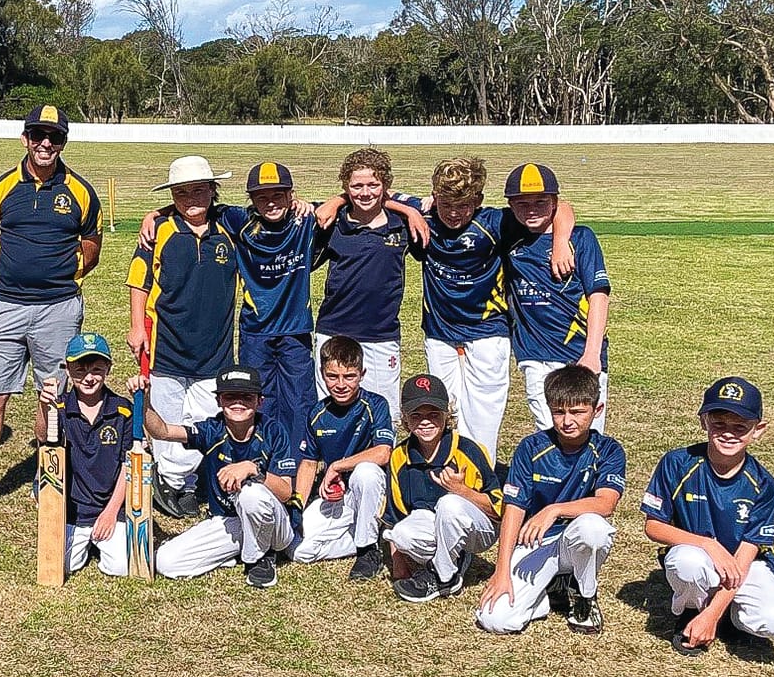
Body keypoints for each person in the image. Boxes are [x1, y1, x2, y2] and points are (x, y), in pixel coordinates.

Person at [0, 105, 103, 520]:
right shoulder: (1, 189)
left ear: (64, 142)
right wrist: (13, 277)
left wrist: (57, 279)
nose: (46, 143)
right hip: (6, 306)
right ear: (25, 138)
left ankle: (47, 477)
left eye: (55, 137)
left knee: (53, 396)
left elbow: (91, 250)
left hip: (59, 309)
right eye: (38, 135)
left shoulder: (81, 192)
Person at [412, 157, 574, 459]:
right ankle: (445, 473)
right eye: (446, 204)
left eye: (463, 206)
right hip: (439, 333)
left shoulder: (494, 223)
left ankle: (481, 474)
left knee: (483, 413)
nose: (454, 213)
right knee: (445, 409)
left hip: (488, 332)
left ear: (478, 200)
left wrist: (562, 241)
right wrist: (410, 209)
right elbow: (384, 199)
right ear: (434, 198)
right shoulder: (425, 219)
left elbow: (560, 207)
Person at [642, 376, 774, 655]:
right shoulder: (677, 463)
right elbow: (653, 526)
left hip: (744, 566)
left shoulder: (763, 484)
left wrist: (714, 614)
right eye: (719, 424)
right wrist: (708, 544)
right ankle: (692, 612)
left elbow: (744, 557)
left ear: (758, 430)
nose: (728, 433)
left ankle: (725, 617)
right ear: (703, 421)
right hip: (698, 556)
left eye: (741, 427)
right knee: (686, 561)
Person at [128, 156, 239, 520]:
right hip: (166, 347)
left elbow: (271, 210)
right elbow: (139, 280)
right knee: (166, 418)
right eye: (181, 192)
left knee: (204, 421)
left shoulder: (230, 226)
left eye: (199, 190)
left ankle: (187, 481)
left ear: (212, 191)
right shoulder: (158, 229)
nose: (191, 198)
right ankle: (173, 483)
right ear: (172, 195)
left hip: (215, 351)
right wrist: (136, 326)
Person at [476, 364, 623, 637]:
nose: (567, 421)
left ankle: (584, 595)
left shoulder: (608, 450)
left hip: (574, 539)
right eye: (559, 411)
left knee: (594, 528)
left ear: (596, 410)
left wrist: (554, 510)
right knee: (495, 619)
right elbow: (514, 510)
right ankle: (546, 593)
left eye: (577, 412)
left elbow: (606, 503)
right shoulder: (530, 447)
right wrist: (501, 571)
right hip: (535, 542)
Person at [136, 364, 295, 587]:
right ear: (219, 400)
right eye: (230, 396)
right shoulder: (212, 429)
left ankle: (261, 558)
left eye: (247, 397)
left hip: (274, 524)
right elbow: (161, 431)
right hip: (229, 520)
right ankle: (237, 550)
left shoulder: (273, 431)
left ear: (260, 401)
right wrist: (144, 400)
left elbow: (286, 493)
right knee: (166, 562)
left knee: (251, 493)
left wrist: (253, 469)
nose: (238, 403)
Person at [311, 148, 427, 402]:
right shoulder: (331, 222)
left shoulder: (403, 224)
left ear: (385, 186)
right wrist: (338, 200)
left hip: (381, 335)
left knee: (384, 409)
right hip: (334, 330)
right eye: (356, 186)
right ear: (345, 187)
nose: (365, 193)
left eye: (373, 185)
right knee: (330, 407)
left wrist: (410, 211)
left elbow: (434, 204)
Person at [502, 163, 610, 431]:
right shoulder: (508, 236)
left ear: (554, 202)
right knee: (549, 429)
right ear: (511, 205)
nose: (531, 209)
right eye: (522, 203)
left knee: (587, 431)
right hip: (535, 354)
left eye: (541, 201)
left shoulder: (581, 238)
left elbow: (598, 297)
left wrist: (592, 353)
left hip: (579, 353)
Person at [222, 162, 321, 456]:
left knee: (299, 398)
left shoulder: (305, 220)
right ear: (251, 199)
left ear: (292, 195)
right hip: (256, 328)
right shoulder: (239, 220)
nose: (271, 202)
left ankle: (298, 459)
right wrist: (155, 214)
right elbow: (196, 203)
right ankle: (264, 456)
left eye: (279, 194)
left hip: (295, 329)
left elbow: (343, 204)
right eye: (262, 196)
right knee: (259, 396)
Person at [382, 372, 503, 604]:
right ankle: (454, 560)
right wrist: (398, 564)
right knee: (402, 534)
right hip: (433, 522)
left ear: (447, 416)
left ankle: (444, 576)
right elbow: (394, 516)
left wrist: (462, 490)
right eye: (416, 415)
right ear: (405, 420)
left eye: (434, 414)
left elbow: (500, 509)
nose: (425, 421)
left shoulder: (468, 450)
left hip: (479, 529)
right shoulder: (399, 456)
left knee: (449, 503)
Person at [290, 336, 396, 576]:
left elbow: (383, 452)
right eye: (332, 376)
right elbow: (308, 464)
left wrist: (338, 466)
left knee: (365, 472)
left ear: (362, 373)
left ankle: (367, 550)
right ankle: (365, 536)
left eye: (349, 376)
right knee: (298, 550)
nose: (341, 384)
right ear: (322, 373)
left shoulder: (375, 405)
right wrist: (297, 505)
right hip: (338, 496)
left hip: (372, 491)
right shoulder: (317, 413)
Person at [34, 333, 134, 576]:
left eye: (97, 369)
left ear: (108, 368)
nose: (89, 378)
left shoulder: (123, 410)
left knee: (121, 567)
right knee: (61, 565)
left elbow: (128, 464)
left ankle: (103, 540)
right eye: (80, 370)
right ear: (67, 370)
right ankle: (82, 538)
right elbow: (43, 438)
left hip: (109, 506)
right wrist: (43, 405)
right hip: (72, 508)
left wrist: (110, 513)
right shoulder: (58, 407)